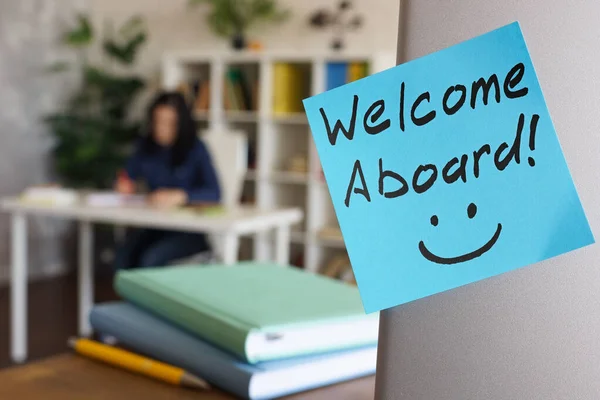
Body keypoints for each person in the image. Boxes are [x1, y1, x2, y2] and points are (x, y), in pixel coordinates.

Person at [113, 91, 221, 270]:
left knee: (150, 259)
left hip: (189, 231)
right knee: (123, 257)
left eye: (169, 123)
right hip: (155, 225)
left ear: (180, 123)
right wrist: (124, 184)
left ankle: (147, 298)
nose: (161, 129)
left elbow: (215, 193)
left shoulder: (196, 148)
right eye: (157, 121)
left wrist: (182, 196)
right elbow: (127, 176)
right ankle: (129, 299)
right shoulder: (145, 147)